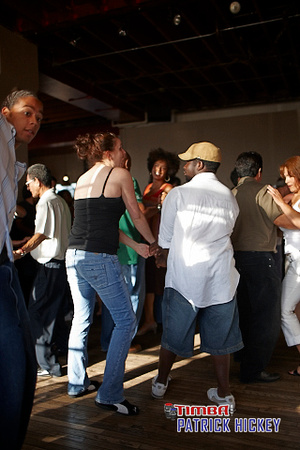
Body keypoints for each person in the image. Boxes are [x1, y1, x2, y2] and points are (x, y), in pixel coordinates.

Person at [66, 132, 157, 416]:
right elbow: (137, 215)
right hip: (97, 258)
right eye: (119, 148)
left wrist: (137, 246)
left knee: (82, 318)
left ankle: (76, 383)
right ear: (108, 152)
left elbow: (106, 226)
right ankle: (110, 394)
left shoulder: (83, 180)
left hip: (75, 256)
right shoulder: (119, 174)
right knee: (126, 321)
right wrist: (155, 245)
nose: (122, 152)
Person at [152, 141, 243, 411]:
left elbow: (165, 239)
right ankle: (224, 395)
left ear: (200, 164)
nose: (183, 166)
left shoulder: (178, 195)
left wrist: (160, 257)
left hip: (184, 278)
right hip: (221, 279)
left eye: (188, 161)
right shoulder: (229, 195)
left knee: (173, 333)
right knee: (221, 340)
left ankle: (160, 382)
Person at [0, 89, 43, 450]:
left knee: (21, 366)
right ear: (5, 113)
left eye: (39, 118)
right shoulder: (0, 136)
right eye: (27, 113)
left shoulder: (11, 147)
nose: (34, 122)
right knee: (18, 367)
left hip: (5, 263)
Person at [231, 151, 295, 383]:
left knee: (244, 312)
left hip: (235, 260)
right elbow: (283, 222)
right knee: (265, 317)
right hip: (261, 260)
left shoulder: (231, 193)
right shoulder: (262, 191)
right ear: (259, 172)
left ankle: (241, 358)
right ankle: (254, 369)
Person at [14, 163, 72, 377]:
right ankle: (63, 354)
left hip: (49, 265)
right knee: (54, 313)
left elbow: (41, 235)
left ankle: (48, 365)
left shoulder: (46, 202)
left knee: (37, 314)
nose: (28, 188)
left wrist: (20, 251)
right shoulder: (60, 202)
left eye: (28, 183)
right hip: (59, 266)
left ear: (37, 181)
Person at [101, 151, 146, 353]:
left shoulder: (102, 181)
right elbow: (139, 211)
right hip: (130, 248)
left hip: (110, 247)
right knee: (132, 297)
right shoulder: (130, 179)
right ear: (126, 162)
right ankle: (125, 342)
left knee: (111, 298)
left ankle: (107, 342)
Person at [137, 148, 178, 336]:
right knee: (149, 283)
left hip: (159, 238)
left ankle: (160, 321)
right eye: (156, 166)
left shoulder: (168, 189)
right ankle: (150, 320)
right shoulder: (146, 188)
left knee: (160, 282)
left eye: (163, 168)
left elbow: (166, 214)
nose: (158, 171)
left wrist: (150, 211)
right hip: (146, 237)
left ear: (168, 172)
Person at [267, 156, 300, 377]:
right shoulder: (292, 197)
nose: (286, 180)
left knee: (284, 310)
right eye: (284, 176)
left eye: (290, 175)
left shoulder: (287, 200)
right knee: (295, 310)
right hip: (294, 260)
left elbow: (297, 222)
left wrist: (279, 203)